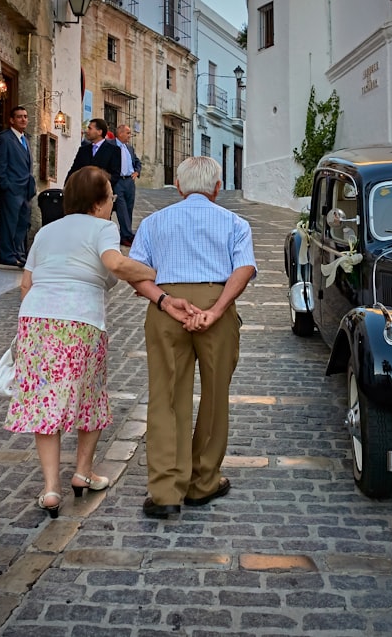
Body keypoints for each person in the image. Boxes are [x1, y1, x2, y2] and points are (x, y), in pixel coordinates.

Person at [3, 166, 156, 519]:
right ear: (100, 202)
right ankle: (83, 472)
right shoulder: (103, 228)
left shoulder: (47, 230)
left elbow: (26, 283)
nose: (113, 203)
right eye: (111, 198)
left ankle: (51, 488)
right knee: (90, 395)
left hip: (36, 320)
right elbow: (114, 263)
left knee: (44, 403)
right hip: (80, 321)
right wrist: (151, 273)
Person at [129, 156, 257, 518]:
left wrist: (165, 302)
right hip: (217, 303)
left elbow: (138, 274)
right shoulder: (234, 222)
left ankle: (166, 490)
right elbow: (244, 268)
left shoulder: (154, 222)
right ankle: (203, 482)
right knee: (216, 396)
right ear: (217, 187)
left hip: (168, 308)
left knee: (166, 396)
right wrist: (215, 311)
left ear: (181, 187)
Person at [0, 106, 35, 267]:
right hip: (12, 189)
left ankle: (18, 253)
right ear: (11, 120)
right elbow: (1, 165)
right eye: (19, 117)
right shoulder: (6, 138)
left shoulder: (26, 139)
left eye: (25, 116)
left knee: (22, 224)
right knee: (8, 223)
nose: (23, 119)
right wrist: (6, 185)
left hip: (25, 190)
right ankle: (6, 254)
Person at [67, 118, 121, 186]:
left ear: (99, 132)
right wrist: (66, 188)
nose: (87, 131)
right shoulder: (83, 150)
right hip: (82, 192)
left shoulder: (113, 150)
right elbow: (73, 171)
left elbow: (115, 176)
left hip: (102, 192)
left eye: (90, 128)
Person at [113, 124, 142, 246]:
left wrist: (137, 172)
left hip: (129, 182)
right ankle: (127, 235)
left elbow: (137, 161)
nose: (130, 135)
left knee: (129, 208)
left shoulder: (129, 148)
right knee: (122, 208)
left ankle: (126, 235)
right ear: (120, 133)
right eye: (128, 133)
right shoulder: (111, 146)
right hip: (118, 181)